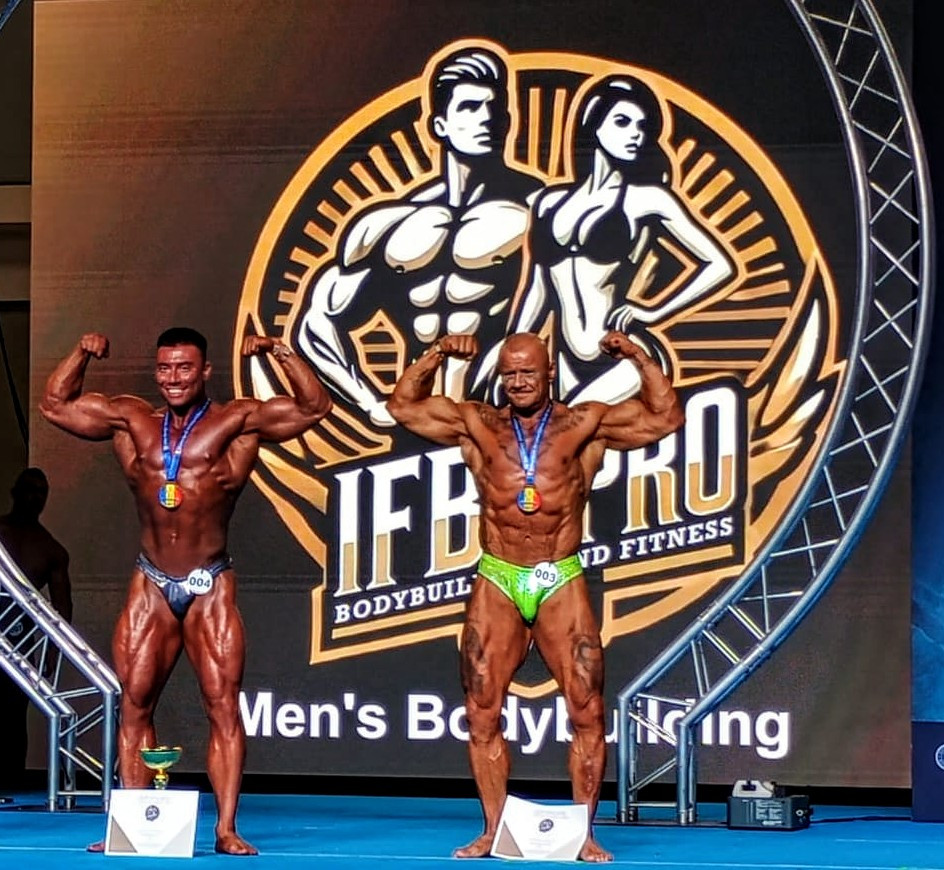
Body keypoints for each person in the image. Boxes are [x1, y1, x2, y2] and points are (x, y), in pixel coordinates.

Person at [385, 330, 685, 862]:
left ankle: (584, 833)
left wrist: (637, 356)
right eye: (510, 373)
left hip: (558, 577)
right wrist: (437, 353)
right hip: (499, 576)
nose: (519, 382)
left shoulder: (584, 424)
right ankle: (493, 830)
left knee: (587, 709)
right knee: (481, 710)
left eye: (528, 372)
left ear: (549, 373)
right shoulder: (479, 424)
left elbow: (666, 416)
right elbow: (403, 406)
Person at [40, 327, 331, 855]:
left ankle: (226, 829)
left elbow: (313, 408)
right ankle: (132, 827)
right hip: (150, 581)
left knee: (222, 706)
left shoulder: (236, 421)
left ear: (205, 372)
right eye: (165, 368)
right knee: (134, 705)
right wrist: (81, 352)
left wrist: (279, 352)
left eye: (184, 368)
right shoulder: (132, 419)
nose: (173, 378)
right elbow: (55, 405)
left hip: (209, 582)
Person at [295, 46, 542, 423]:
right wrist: (369, 402)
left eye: (494, 108)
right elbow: (319, 321)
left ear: (508, 121)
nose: (485, 119)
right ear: (439, 125)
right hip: (418, 419)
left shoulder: (542, 211)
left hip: (500, 419)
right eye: (469, 107)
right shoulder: (392, 224)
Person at [514, 74, 735, 406]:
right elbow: (538, 289)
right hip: (565, 360)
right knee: (562, 436)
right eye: (622, 122)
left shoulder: (646, 199)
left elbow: (719, 265)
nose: (635, 134)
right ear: (594, 125)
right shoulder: (550, 202)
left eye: (641, 127)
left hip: (623, 354)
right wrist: (513, 351)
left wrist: (655, 311)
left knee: (569, 425)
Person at [0, 466, 72, 788]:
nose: (34, 497)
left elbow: (62, 607)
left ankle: (11, 779)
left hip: (21, 640)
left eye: (41, 493)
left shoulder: (52, 550)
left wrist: (54, 652)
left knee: (14, 712)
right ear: (15, 492)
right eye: (29, 489)